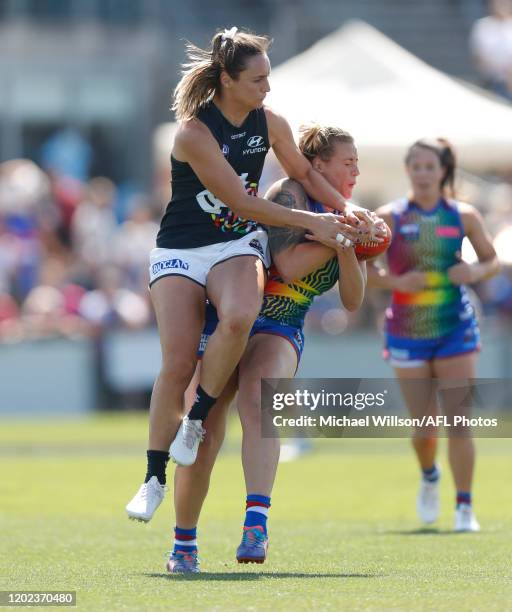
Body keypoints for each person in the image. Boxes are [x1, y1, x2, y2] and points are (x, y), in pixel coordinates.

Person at [126, 27, 379, 522]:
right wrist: (317, 224)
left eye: (269, 77)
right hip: (182, 248)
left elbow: (306, 175)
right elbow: (242, 201)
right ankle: (153, 476)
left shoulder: (270, 121)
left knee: (240, 315)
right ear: (227, 79)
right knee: (177, 364)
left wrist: (350, 212)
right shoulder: (193, 132)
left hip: (236, 243)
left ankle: (195, 420)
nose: (268, 88)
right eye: (259, 79)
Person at [167, 123, 367, 573]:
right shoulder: (289, 193)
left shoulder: (351, 216)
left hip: (283, 323)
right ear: (318, 165)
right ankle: (183, 543)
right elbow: (288, 264)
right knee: (207, 430)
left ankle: (256, 523)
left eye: (357, 162)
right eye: (347, 161)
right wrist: (340, 238)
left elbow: (353, 300)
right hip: (234, 314)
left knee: (262, 399)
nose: (356, 170)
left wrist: (351, 249)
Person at [367, 138, 500, 533]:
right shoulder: (388, 217)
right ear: (408, 170)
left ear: (443, 171)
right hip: (407, 330)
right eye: (417, 166)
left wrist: (474, 272)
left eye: (431, 166)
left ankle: (464, 507)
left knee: (459, 421)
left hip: (455, 325)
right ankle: (429, 476)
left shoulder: (464, 215)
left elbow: (491, 261)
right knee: (424, 429)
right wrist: (396, 279)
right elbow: (366, 276)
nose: (424, 173)